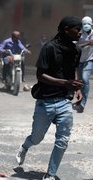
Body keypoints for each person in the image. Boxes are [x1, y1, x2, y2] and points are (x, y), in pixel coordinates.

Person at [15, 16, 83, 180]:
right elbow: (40, 75)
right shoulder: (49, 48)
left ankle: (50, 174)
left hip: (64, 102)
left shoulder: (76, 50)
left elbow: (73, 69)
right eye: (77, 29)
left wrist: (76, 87)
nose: (81, 32)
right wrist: (65, 83)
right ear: (66, 29)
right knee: (37, 138)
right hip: (45, 102)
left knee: (63, 140)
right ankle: (25, 146)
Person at [74, 16, 93, 113]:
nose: (86, 26)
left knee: (85, 79)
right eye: (84, 24)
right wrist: (87, 44)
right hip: (79, 61)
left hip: (90, 60)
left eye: (88, 24)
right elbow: (75, 45)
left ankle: (82, 104)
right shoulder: (79, 33)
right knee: (80, 82)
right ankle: (79, 101)